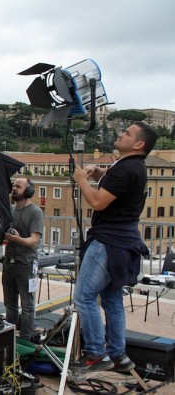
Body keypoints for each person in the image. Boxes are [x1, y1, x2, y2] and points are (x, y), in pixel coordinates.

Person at [71, 122, 157, 373]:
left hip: (108, 240)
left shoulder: (126, 168)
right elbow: (114, 185)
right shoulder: (133, 166)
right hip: (124, 240)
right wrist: (97, 172)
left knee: (84, 296)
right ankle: (118, 354)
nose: (121, 134)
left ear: (139, 144)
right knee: (112, 298)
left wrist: (80, 180)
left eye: (128, 133)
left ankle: (97, 354)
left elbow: (98, 202)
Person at [2, 178, 44, 340]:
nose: (14, 188)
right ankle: (9, 338)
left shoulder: (35, 212)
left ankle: (26, 339)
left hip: (26, 264)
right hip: (9, 262)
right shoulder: (10, 210)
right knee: (9, 304)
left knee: (27, 306)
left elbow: (33, 240)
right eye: (13, 185)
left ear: (28, 191)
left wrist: (17, 239)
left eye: (18, 186)